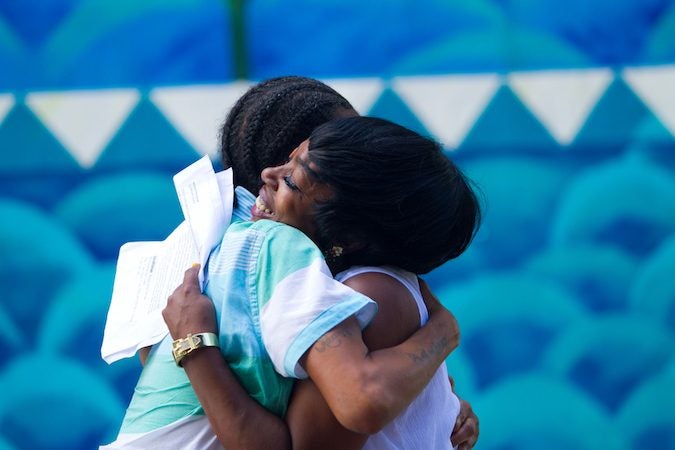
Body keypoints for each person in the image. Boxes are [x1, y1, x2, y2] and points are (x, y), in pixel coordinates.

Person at [161, 116, 481, 449]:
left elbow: (361, 403)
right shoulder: (324, 282)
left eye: (293, 181)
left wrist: (194, 346)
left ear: (352, 237)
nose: (269, 175)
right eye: (287, 160)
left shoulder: (370, 294)